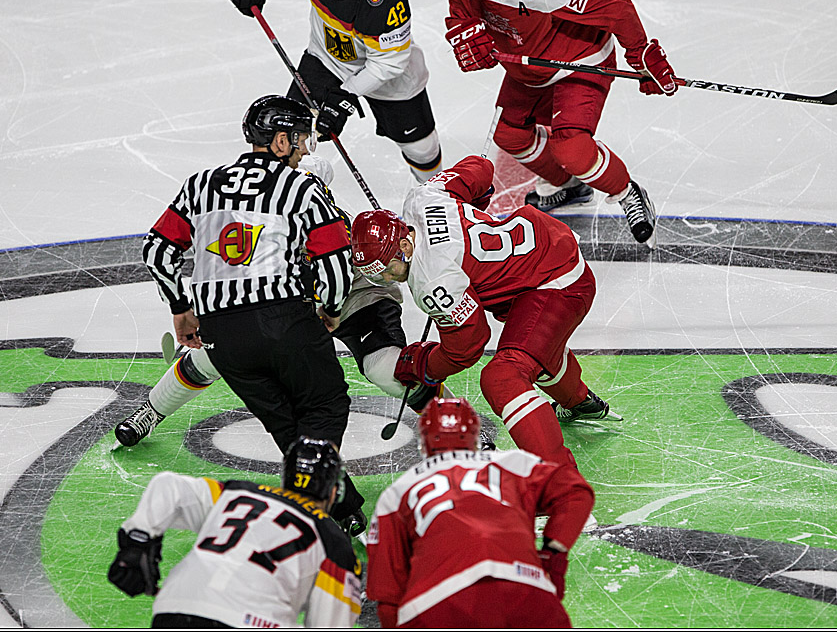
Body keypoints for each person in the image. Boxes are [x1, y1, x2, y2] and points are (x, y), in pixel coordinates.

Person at [126, 93, 366, 533]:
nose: (303, 150)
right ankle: (317, 502)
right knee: (325, 401)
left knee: (283, 420)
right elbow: (333, 264)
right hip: (285, 320)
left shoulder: (200, 184)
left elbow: (156, 250)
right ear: (278, 142)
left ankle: (343, 503)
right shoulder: (304, 188)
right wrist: (330, 309)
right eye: (299, 140)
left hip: (223, 335)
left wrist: (181, 309)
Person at [350, 154, 621, 472]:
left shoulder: (432, 279)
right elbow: (480, 166)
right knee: (534, 346)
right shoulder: (422, 198)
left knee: (502, 377)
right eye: (374, 274)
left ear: (405, 247)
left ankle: (559, 487)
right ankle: (578, 402)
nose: (385, 279)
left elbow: (468, 346)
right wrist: (476, 196)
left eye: (386, 269)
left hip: (556, 281)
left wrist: (422, 364)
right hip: (544, 250)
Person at [444, 0, 675, 245]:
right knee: (508, 134)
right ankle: (571, 187)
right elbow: (461, 20)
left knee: (572, 149)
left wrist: (642, 55)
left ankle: (628, 193)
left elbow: (617, 8)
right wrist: (465, 35)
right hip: (528, 67)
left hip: (580, 59)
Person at [365, 397, 595, 627]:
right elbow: (576, 493)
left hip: (435, 601)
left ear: (423, 442)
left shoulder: (397, 493)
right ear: (475, 435)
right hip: (523, 587)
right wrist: (553, 556)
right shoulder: (513, 463)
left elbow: (387, 596)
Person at [226, 0, 443, 182]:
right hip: (326, 60)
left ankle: (434, 196)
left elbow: (389, 63)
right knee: (289, 133)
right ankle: (283, 196)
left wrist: (346, 96)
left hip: (389, 81)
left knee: (422, 149)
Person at [107, 437, 363, 628]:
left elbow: (168, 486)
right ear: (333, 491)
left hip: (175, 606)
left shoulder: (236, 493)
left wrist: (137, 542)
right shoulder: (336, 545)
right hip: (253, 621)